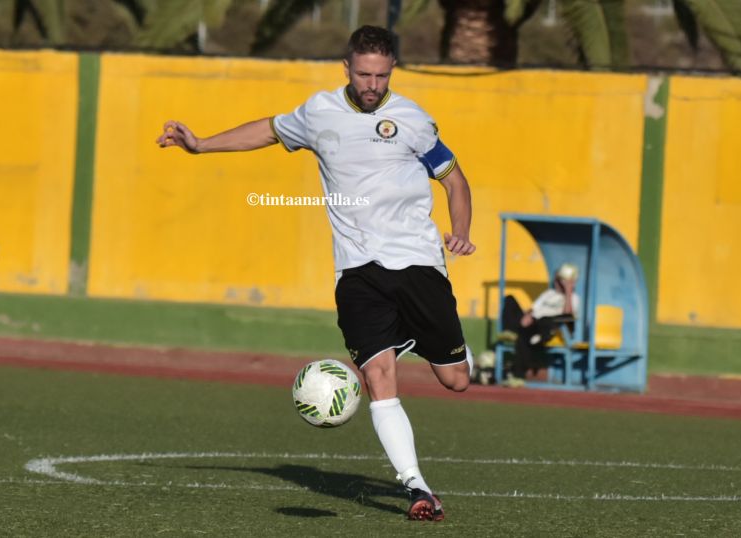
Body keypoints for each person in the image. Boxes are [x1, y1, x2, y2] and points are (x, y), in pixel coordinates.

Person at [156, 25, 475, 522]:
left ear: (392, 71)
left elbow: (454, 180)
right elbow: (266, 130)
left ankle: (428, 342)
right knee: (377, 374)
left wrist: (460, 230)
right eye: (365, 74)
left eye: (382, 76)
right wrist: (201, 146)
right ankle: (417, 487)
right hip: (357, 271)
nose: (373, 85)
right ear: (346, 68)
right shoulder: (318, 113)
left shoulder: (412, 120)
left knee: (455, 379)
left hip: (417, 262)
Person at [499, 263, 580, 384]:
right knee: (510, 299)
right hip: (531, 322)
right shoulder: (548, 294)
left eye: (562, 281)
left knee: (530, 333)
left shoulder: (573, 297)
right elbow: (533, 307)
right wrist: (528, 315)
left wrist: (568, 291)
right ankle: (510, 332)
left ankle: (518, 375)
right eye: (558, 280)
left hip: (546, 326)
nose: (558, 283)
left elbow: (567, 315)